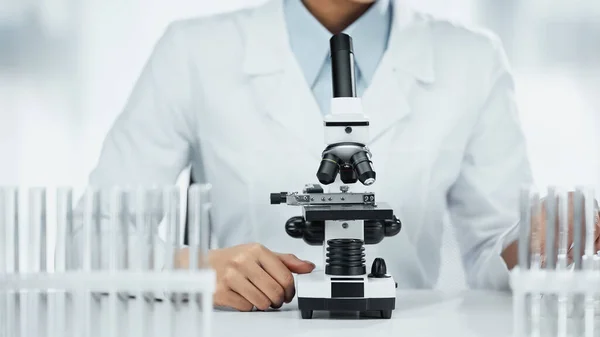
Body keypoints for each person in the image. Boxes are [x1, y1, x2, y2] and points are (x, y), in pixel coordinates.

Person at [79, 0, 600, 312]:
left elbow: (495, 250)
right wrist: (189, 271)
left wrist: (536, 243)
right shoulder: (193, 49)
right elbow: (93, 239)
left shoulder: (473, 59)